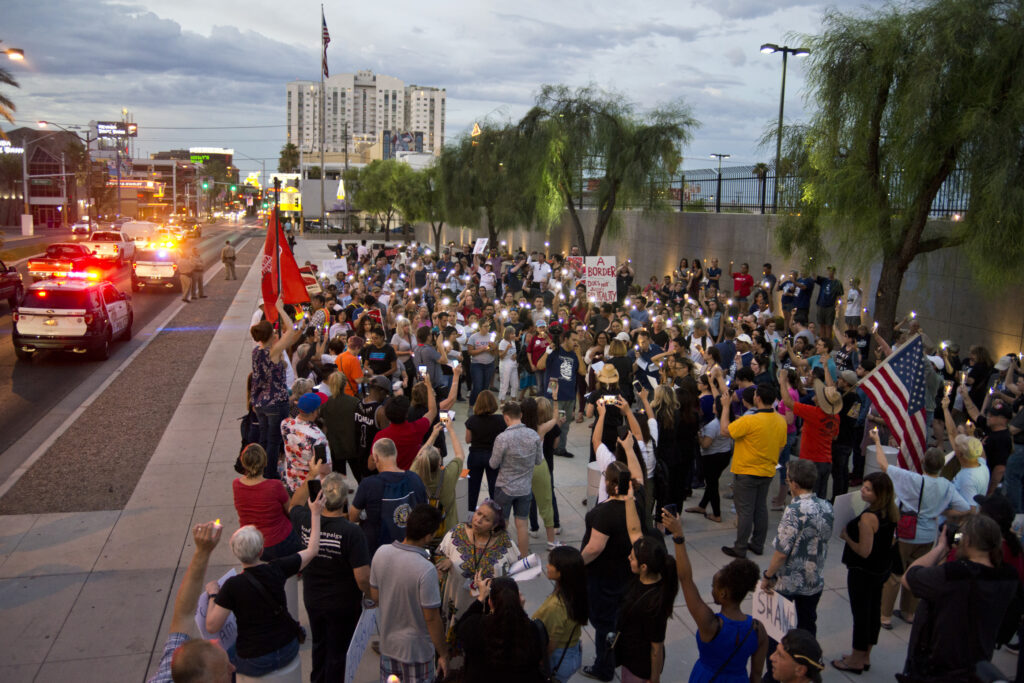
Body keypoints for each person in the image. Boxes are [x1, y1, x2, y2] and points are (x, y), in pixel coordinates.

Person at [205, 491, 324, 677]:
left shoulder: (232, 586)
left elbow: (212, 626)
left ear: (236, 553)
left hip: (254, 659)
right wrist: (315, 514)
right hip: (288, 648)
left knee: (221, 660)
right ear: (261, 549)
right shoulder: (278, 568)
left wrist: (213, 594)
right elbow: (312, 550)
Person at [901, 514, 1021, 680]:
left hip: (937, 666)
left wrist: (942, 547)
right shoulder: (1008, 576)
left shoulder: (955, 574)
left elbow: (909, 577)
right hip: (978, 664)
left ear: (968, 541)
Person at [871, 431, 972, 629]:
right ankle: (909, 612)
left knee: (895, 574)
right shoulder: (946, 485)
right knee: (916, 571)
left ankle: (885, 615)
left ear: (923, 462)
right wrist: (942, 510)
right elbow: (965, 508)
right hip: (928, 535)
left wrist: (876, 441)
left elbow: (883, 465)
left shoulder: (913, 480)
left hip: (906, 533)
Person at [661, 509, 769, 683]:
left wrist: (678, 536)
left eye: (714, 586)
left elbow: (685, 579)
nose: (711, 590)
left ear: (723, 593)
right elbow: (756, 675)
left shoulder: (710, 625)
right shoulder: (758, 630)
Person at [289, 473, 370, 683]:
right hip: (343, 603)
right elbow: (362, 577)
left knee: (320, 645)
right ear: (344, 500)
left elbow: (294, 504)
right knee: (339, 652)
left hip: (313, 598)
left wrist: (311, 473)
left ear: (321, 497)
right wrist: (371, 594)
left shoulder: (306, 520)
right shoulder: (352, 533)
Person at [370, 504, 450, 682]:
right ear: (429, 536)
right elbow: (431, 618)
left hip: (388, 649)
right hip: (417, 653)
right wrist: (443, 653)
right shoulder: (426, 570)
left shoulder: (381, 553)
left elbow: (375, 597)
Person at [579, 460, 643, 681]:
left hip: (604, 578)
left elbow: (595, 547)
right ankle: (615, 658)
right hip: (626, 575)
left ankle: (604, 667)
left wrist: (577, 564)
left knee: (604, 626)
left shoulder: (606, 513)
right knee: (618, 621)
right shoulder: (635, 505)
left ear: (608, 483)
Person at [147, 521, 233, 683]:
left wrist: (202, 552)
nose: (233, 669)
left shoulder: (169, 673)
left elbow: (184, 614)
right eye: (225, 670)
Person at [436, 501, 520, 664]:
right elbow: (438, 554)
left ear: (494, 525)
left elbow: (514, 571)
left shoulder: (504, 542)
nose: (478, 519)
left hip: (485, 607)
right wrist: (445, 560)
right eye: (478, 513)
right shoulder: (457, 533)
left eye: (486, 519)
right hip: (456, 600)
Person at [832, 471, 898, 674]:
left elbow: (863, 551)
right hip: (880, 570)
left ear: (879, 494)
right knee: (872, 612)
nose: (862, 490)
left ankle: (855, 660)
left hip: (863, 572)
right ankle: (865, 655)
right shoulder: (891, 512)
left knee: (861, 615)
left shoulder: (868, 518)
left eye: (868, 489)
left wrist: (846, 537)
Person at [760, 459, 834, 641]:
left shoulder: (794, 510)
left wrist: (768, 575)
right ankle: (808, 662)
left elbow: (781, 552)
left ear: (794, 483)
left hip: (789, 582)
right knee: (807, 626)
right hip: (813, 580)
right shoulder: (827, 506)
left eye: (787, 478)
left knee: (777, 632)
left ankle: (775, 668)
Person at [719, 377, 788, 559]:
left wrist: (726, 407)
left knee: (745, 511)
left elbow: (725, 431)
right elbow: (780, 446)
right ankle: (757, 544)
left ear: (757, 398)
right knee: (760, 508)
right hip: (767, 470)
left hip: (746, 471)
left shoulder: (750, 420)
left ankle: (740, 547)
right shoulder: (781, 421)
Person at [615, 493, 679, 683]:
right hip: (631, 657)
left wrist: (654, 679)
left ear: (643, 567)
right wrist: (628, 499)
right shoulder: (650, 576)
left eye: (632, 557)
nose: (628, 558)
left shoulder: (653, 604)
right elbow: (635, 531)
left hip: (639, 668)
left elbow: (656, 648)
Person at [455, 575, 547, 683]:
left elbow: (460, 629)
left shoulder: (475, 625)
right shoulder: (532, 629)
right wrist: (519, 610)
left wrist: (480, 598)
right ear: (519, 600)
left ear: (490, 602)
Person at [348, 437, 428, 556]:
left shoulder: (369, 484)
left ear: (375, 458)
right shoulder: (414, 479)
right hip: (410, 549)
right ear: (396, 455)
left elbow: (353, 517)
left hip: (378, 551)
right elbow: (424, 511)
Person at [251, 299, 303, 479]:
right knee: (274, 441)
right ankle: (270, 474)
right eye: (273, 332)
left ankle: (259, 469)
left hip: (260, 402)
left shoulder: (256, 351)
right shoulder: (271, 351)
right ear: (269, 336)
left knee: (264, 439)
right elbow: (290, 330)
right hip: (276, 402)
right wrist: (279, 309)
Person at [489, 400, 544, 555]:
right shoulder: (534, 435)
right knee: (522, 524)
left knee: (502, 524)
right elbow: (539, 460)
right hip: (525, 488)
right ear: (521, 415)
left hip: (505, 487)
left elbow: (493, 464)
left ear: (506, 418)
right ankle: (524, 558)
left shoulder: (502, 438)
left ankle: (501, 556)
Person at [233, 444, 303, 561]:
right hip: (279, 542)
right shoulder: (275, 486)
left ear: (243, 462)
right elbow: (291, 511)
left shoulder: (236, 484)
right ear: (265, 462)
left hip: (253, 543)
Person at [778, 370, 840, 500]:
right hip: (826, 461)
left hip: (811, 462)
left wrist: (782, 381)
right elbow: (834, 436)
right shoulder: (836, 416)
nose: (815, 395)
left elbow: (789, 402)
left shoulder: (813, 412)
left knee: (807, 498)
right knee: (820, 497)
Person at [533, 546, 589, 682]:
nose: (547, 566)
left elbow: (551, 643)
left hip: (557, 658)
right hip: (572, 652)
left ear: (562, 572)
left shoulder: (556, 606)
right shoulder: (576, 592)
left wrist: (540, 661)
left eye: (551, 564)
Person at [373, 383, 437, 471]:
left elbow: (371, 465)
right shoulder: (416, 428)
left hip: (391, 477)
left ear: (387, 415)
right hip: (413, 475)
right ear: (407, 413)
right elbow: (433, 411)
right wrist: (429, 385)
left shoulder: (380, 436)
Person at [280, 392, 331, 493]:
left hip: (292, 481)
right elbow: (324, 468)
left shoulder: (285, 424)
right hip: (311, 487)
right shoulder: (318, 437)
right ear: (314, 412)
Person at [465, 390, 506, 512]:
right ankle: (496, 515)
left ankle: (470, 514)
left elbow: (468, 440)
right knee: (494, 487)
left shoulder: (472, 420)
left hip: (475, 455)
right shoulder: (500, 420)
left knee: (473, 487)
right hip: (493, 456)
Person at [320, 371, 361, 480]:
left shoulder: (326, 404)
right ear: (345, 384)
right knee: (360, 477)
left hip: (335, 447)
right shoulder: (355, 402)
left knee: (338, 483)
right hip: (353, 445)